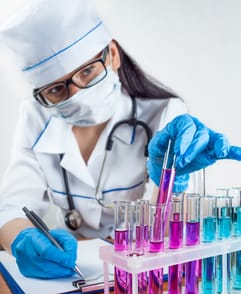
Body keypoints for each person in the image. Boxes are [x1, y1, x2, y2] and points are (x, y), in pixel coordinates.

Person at [0, 0, 240, 279]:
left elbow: (170, 230)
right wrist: (21, 240)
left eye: (86, 71)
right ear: (42, 95)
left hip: (139, 277)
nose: (76, 93)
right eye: (55, 89)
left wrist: (170, 183)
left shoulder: (163, 114)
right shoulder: (36, 117)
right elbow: (13, 207)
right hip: (73, 281)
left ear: (112, 54)